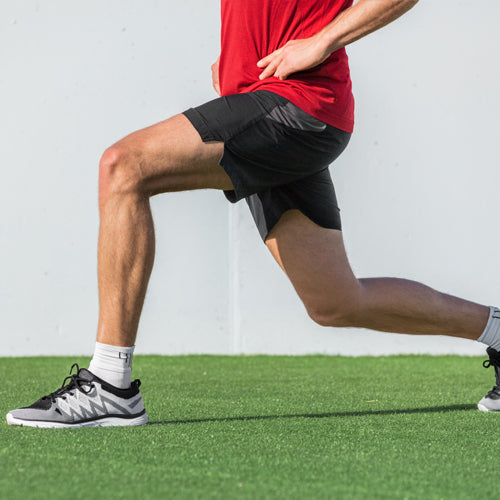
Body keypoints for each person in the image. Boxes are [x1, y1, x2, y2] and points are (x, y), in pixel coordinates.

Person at [6, 0, 500, 428]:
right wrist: (232, 57)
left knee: (123, 167)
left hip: (298, 107)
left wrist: (322, 41)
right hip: (266, 106)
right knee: (335, 301)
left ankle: (111, 385)